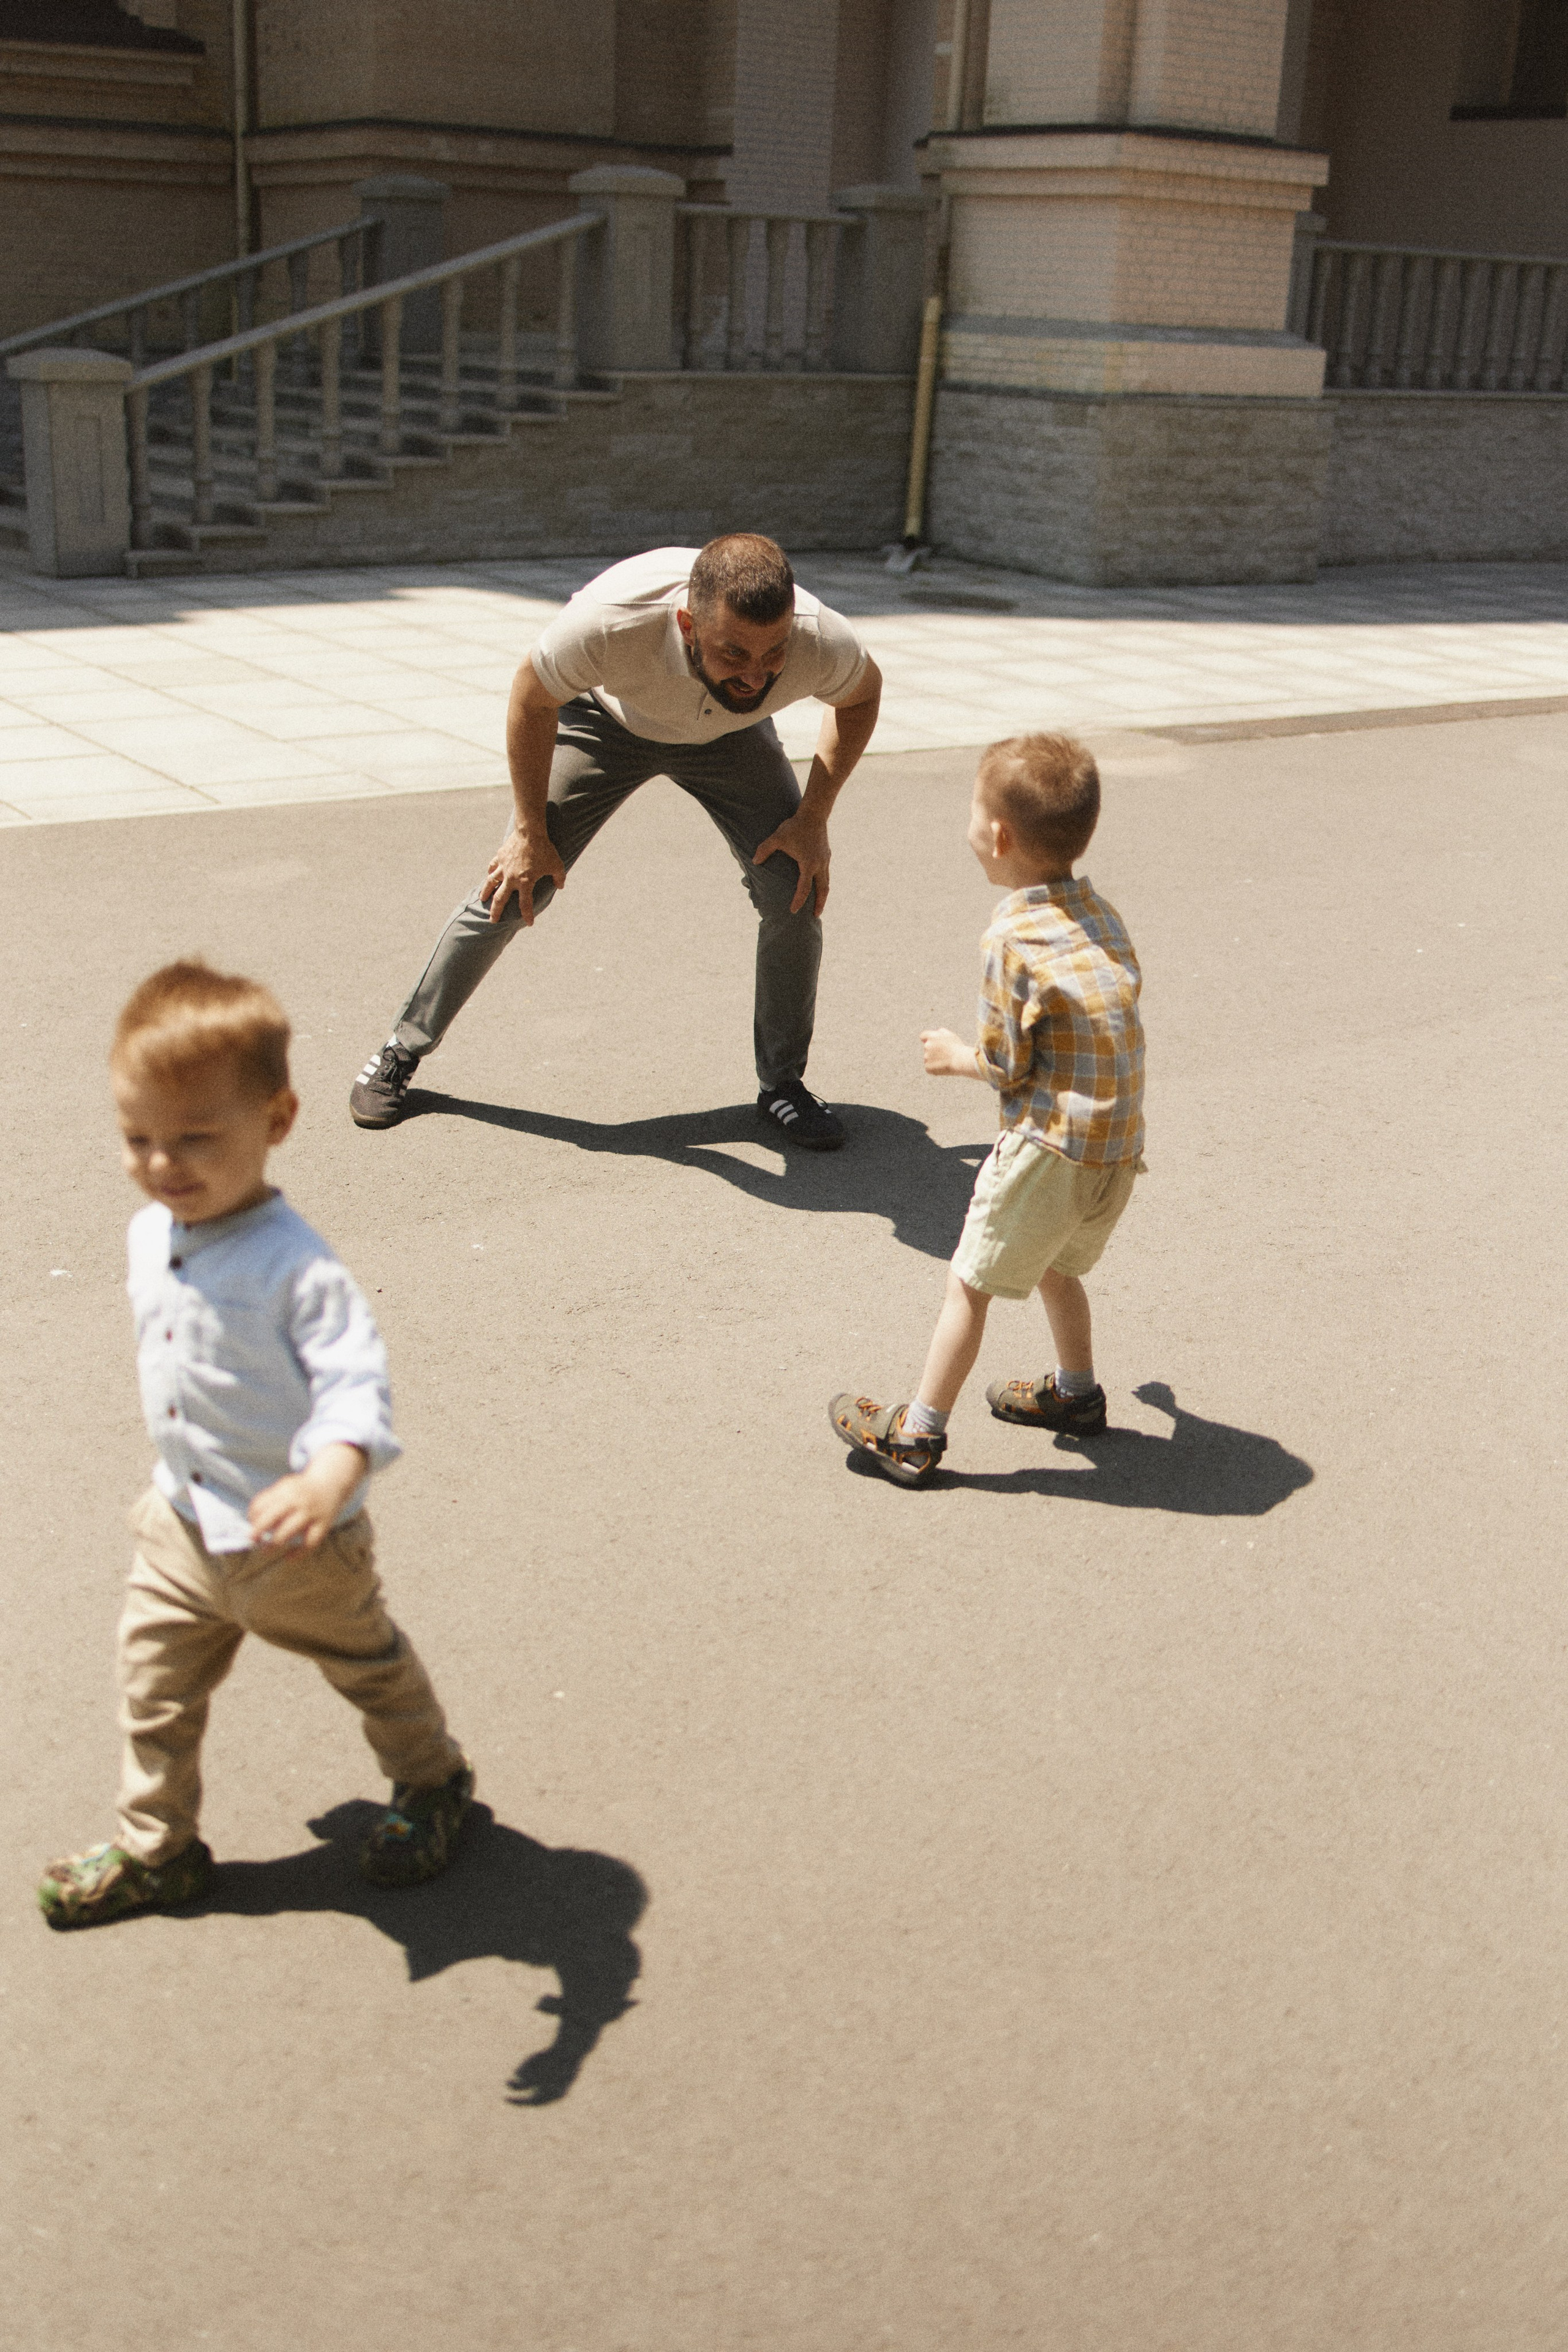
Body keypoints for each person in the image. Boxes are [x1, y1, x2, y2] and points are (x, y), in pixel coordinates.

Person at [38, 962, 473, 1930]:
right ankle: (158, 1849)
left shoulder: (298, 1269)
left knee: (370, 1667)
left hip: (299, 1544)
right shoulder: (150, 1234)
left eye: (196, 1137)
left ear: (277, 1121)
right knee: (152, 1690)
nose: (163, 1163)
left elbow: (354, 1385)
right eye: (138, 1138)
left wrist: (326, 1477)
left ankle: (433, 1780)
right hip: (182, 1526)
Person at [349, 533, 881, 1152]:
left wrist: (813, 817)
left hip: (730, 737)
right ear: (687, 624)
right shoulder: (611, 622)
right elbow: (531, 694)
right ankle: (401, 1048)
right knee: (520, 883)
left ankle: (782, 1084)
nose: (757, 673)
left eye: (774, 653)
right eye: (734, 652)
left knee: (793, 886)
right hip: (606, 722)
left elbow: (862, 694)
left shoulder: (819, 638)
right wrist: (528, 831)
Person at [829, 733, 1146, 1486]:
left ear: (998, 836)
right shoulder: (1100, 912)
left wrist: (954, 1056)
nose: (968, 826)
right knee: (1055, 1268)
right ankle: (1076, 1394)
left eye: (973, 812)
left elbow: (1006, 1064)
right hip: (1115, 1148)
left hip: (1048, 1151)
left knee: (967, 1285)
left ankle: (916, 1434)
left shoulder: (1010, 936)